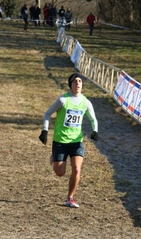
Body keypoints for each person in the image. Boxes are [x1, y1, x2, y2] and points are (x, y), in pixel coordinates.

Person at [38, 73, 98, 208]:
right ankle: (54, 157)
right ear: (70, 84)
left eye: (80, 81)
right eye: (75, 82)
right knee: (60, 173)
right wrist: (45, 131)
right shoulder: (63, 100)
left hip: (76, 141)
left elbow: (93, 119)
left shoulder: (86, 102)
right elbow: (48, 113)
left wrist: (95, 131)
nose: (78, 84)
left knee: (77, 169)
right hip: (60, 140)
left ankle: (70, 198)